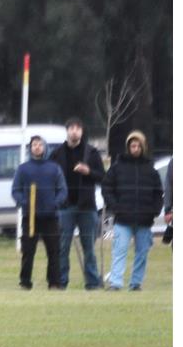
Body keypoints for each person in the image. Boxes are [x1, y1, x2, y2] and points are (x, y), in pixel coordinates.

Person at [48, 117, 106, 290]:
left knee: (89, 247)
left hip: (86, 207)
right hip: (65, 207)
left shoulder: (92, 153)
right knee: (63, 247)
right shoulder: (56, 153)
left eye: (78, 128)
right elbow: (50, 179)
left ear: (82, 132)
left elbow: (103, 177)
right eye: (71, 128)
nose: (74, 131)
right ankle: (61, 282)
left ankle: (92, 283)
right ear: (67, 131)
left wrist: (88, 171)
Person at [102, 130, 163, 290]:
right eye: (132, 145)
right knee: (119, 251)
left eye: (138, 146)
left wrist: (154, 211)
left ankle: (136, 283)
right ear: (128, 147)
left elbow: (158, 192)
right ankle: (115, 283)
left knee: (142, 253)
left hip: (144, 219)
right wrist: (115, 207)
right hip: (122, 219)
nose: (135, 148)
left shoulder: (151, 170)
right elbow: (107, 188)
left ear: (143, 147)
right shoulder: (117, 167)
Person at [11, 135, 68, 290]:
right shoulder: (23, 169)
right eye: (34, 144)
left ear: (44, 147)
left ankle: (54, 283)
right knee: (28, 252)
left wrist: (55, 203)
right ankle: (25, 282)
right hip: (29, 218)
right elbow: (16, 190)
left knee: (54, 251)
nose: (37, 147)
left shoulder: (54, 168)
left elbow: (62, 190)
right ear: (30, 148)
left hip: (51, 217)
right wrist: (24, 203)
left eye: (39, 144)